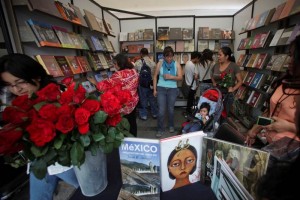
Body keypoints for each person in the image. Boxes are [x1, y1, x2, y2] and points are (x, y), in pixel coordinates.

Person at [0, 54, 79, 200]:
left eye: (20, 82)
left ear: (36, 76)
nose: (16, 89)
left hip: (65, 160)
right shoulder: (20, 102)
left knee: (89, 188)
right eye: (9, 85)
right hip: (41, 160)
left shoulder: (58, 96)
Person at [253, 35, 300, 200]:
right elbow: (269, 112)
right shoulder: (284, 82)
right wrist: (254, 130)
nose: (289, 60)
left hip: (290, 152)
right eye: (290, 54)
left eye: (294, 56)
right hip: (269, 142)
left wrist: (288, 127)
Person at [88, 54, 139, 137]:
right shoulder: (133, 71)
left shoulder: (118, 74)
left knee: (123, 126)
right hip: (133, 102)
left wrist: (95, 82)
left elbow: (104, 85)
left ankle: (126, 144)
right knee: (132, 122)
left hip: (124, 105)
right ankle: (134, 139)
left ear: (120, 63)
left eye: (115, 64)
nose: (114, 66)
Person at [153, 46, 182, 137]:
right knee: (161, 110)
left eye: (171, 56)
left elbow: (180, 78)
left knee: (170, 109)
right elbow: (155, 76)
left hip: (172, 89)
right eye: (167, 56)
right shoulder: (160, 63)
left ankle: (171, 125)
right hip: (161, 88)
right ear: (164, 56)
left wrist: (171, 77)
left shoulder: (176, 64)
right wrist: (154, 89)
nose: (169, 58)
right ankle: (160, 128)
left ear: (173, 56)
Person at [211, 46, 243, 117]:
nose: (218, 57)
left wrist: (233, 89)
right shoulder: (216, 65)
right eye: (218, 55)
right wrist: (214, 82)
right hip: (216, 93)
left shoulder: (234, 66)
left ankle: (222, 127)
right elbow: (212, 75)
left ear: (227, 56)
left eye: (220, 55)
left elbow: (240, 81)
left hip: (228, 95)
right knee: (214, 113)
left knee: (224, 114)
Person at [134, 48, 158, 120]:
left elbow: (135, 74)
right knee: (152, 99)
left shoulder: (137, 63)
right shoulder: (153, 63)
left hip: (142, 84)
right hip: (151, 84)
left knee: (142, 99)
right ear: (148, 54)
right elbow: (155, 75)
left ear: (141, 54)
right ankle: (155, 113)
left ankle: (143, 115)